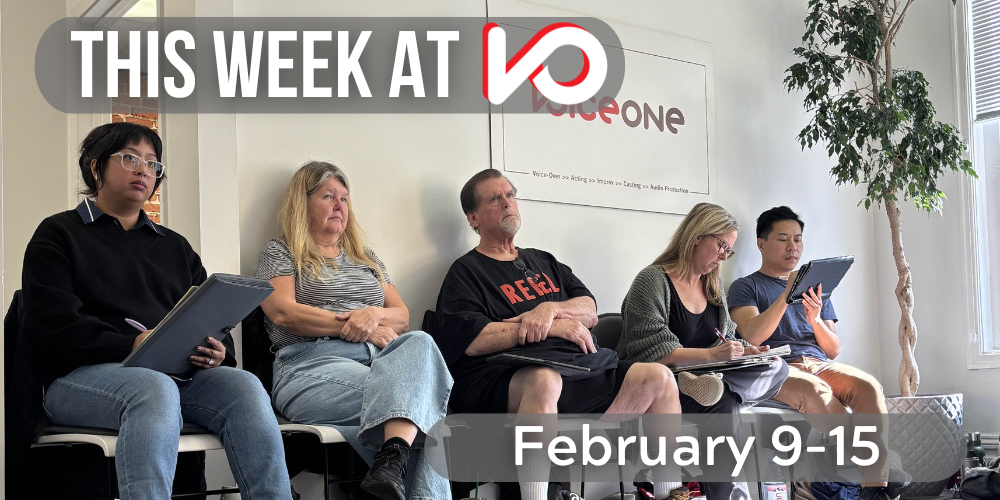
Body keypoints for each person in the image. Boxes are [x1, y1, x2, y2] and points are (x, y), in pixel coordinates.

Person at [21, 122, 292, 500]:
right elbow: (53, 325)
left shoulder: (175, 247)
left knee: (244, 387)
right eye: (130, 158)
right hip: (77, 380)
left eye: (152, 163)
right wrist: (131, 344)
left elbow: (211, 319)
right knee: (153, 388)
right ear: (96, 167)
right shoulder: (59, 234)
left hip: (173, 379)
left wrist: (217, 351)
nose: (143, 170)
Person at [432, 168, 687, 500]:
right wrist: (549, 327)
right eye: (494, 199)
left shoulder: (544, 261)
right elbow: (473, 340)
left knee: (660, 377)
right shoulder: (466, 271)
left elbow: (589, 309)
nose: (507, 203)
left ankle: (670, 493)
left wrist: (549, 309)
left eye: (510, 195)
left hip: (581, 370)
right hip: (509, 378)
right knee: (545, 380)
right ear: (473, 217)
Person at [258, 161, 453, 500]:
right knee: (418, 414)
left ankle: (392, 459)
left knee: (420, 342)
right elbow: (283, 313)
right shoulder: (280, 250)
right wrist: (358, 327)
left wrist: (373, 316)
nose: (339, 206)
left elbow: (401, 317)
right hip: (309, 365)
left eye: (344, 199)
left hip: (380, 363)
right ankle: (394, 456)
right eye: (328, 196)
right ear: (302, 203)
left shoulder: (366, 258)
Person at [728, 206, 905, 500]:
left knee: (868, 386)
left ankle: (874, 489)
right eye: (783, 239)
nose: (793, 246)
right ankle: (879, 471)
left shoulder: (816, 288)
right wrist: (787, 295)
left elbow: (833, 349)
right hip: (777, 368)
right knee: (815, 390)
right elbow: (752, 335)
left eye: (798, 239)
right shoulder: (746, 287)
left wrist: (815, 320)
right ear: (761, 243)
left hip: (818, 363)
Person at [617, 202, 788, 500]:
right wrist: (712, 357)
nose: (723, 256)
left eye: (728, 251)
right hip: (665, 386)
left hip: (711, 379)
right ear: (697, 236)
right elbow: (652, 351)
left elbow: (726, 337)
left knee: (778, 367)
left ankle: (709, 383)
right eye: (722, 246)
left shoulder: (713, 285)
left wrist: (747, 353)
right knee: (724, 405)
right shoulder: (652, 281)